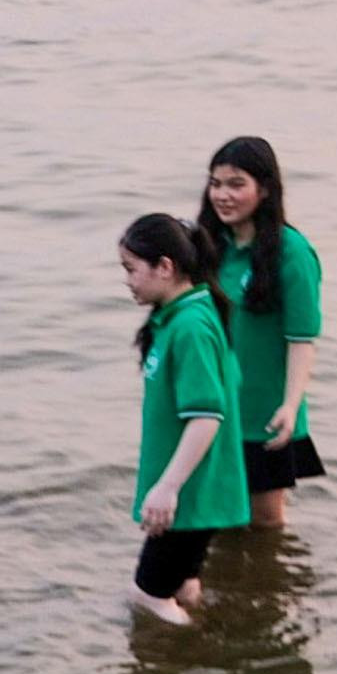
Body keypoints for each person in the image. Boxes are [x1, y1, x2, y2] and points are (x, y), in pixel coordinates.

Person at [120, 212, 250, 625]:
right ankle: (208, 650)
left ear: (165, 267)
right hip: (195, 494)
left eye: (131, 269)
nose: (127, 280)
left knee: (146, 597)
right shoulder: (180, 315)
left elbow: (207, 416)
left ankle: (177, 669)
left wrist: (167, 489)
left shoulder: (191, 326)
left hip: (188, 496)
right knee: (183, 587)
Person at [198, 137, 326, 530]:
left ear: (265, 189)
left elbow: (301, 339)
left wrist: (290, 406)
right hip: (214, 405)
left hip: (265, 412)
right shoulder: (206, 245)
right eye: (216, 184)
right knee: (215, 515)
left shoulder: (292, 252)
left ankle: (272, 588)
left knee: (265, 522)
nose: (223, 195)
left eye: (236, 184)